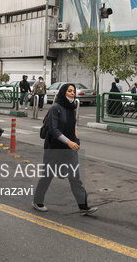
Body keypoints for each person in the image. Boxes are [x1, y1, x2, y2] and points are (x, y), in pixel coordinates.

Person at [32, 83, 97, 215]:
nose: (72, 93)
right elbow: (54, 130)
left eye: (74, 91)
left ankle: (83, 206)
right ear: (63, 93)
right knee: (47, 176)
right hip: (54, 148)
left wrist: (76, 141)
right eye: (69, 91)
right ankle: (37, 201)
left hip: (69, 149)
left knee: (75, 177)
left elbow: (74, 128)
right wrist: (69, 142)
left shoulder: (72, 109)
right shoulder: (55, 108)